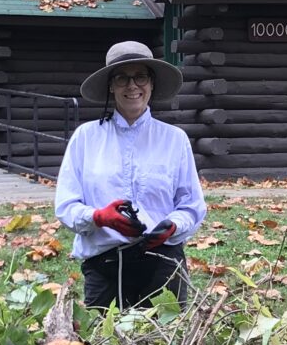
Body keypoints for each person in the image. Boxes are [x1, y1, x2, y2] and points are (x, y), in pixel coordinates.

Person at [56, 40, 207, 308]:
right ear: (110, 86)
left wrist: (172, 226)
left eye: (140, 77)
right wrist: (99, 217)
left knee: (165, 343)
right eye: (122, 78)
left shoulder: (174, 139)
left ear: (152, 84)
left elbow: (191, 206)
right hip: (105, 263)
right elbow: (66, 206)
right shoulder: (85, 138)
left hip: (163, 262)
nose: (132, 85)